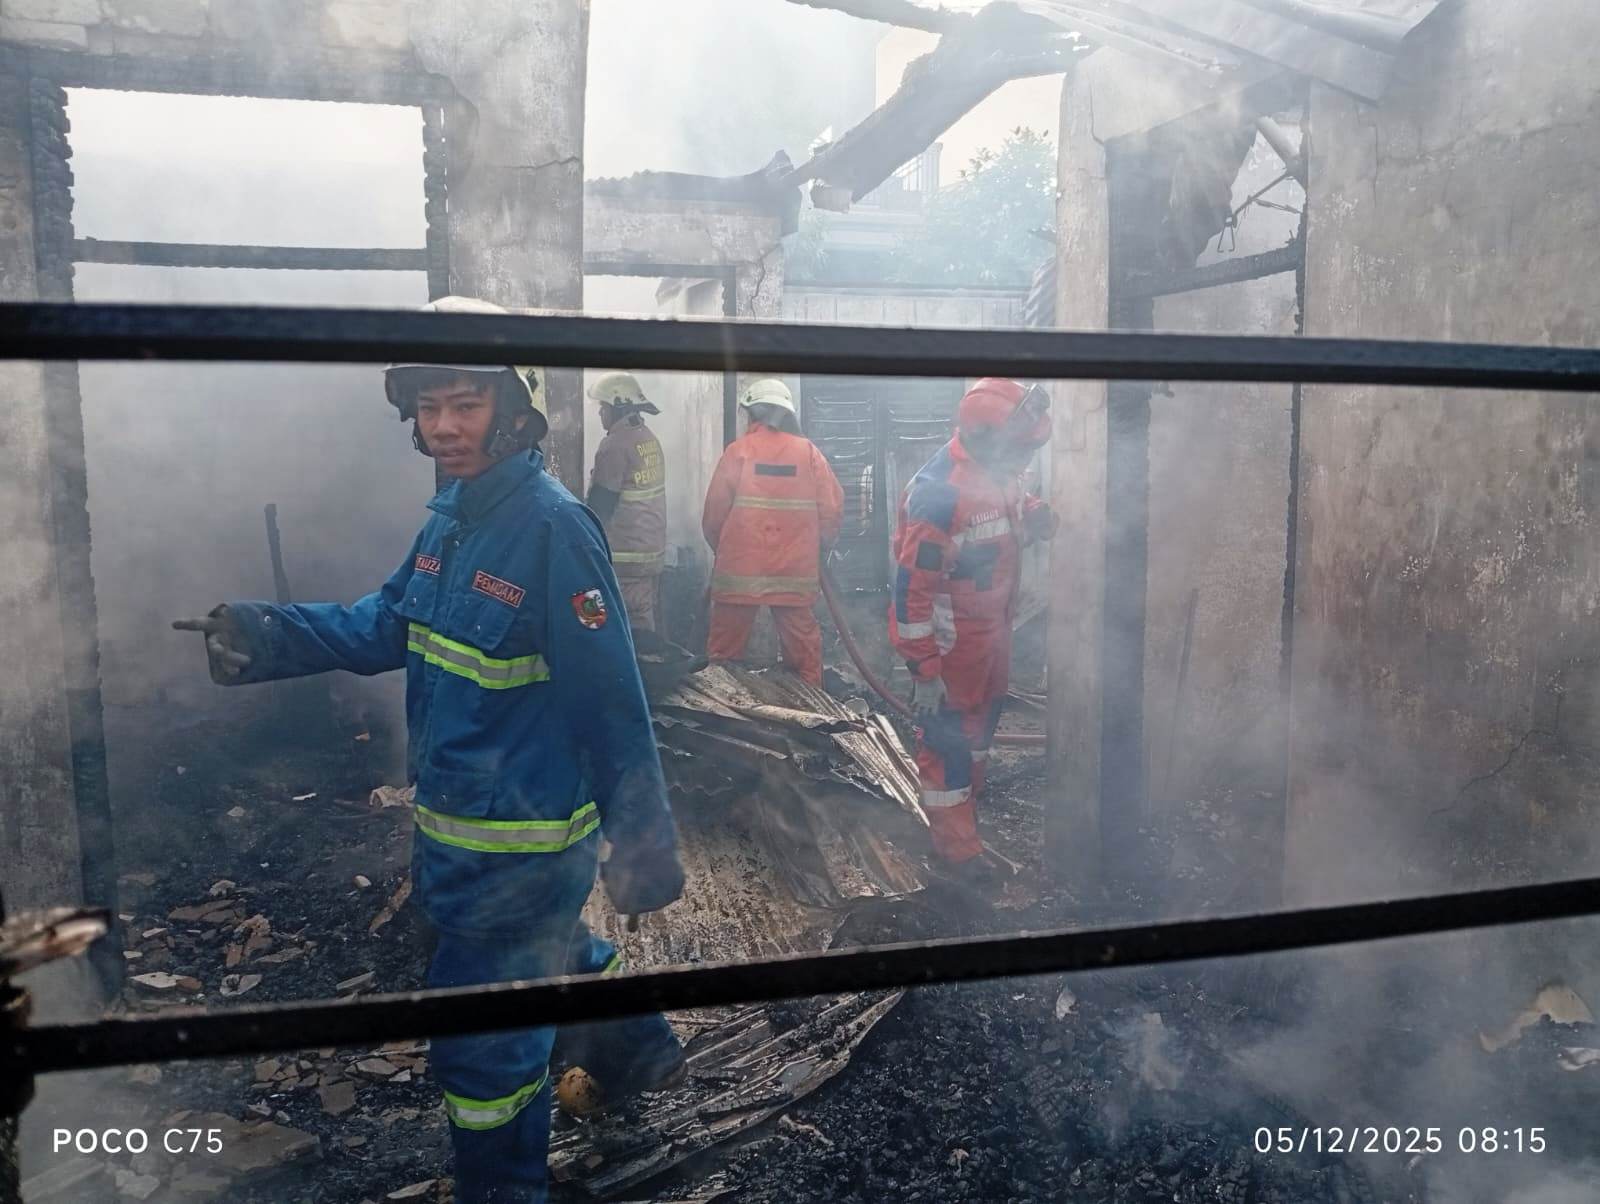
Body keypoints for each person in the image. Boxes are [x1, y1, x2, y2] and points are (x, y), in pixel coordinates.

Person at [173, 297, 687, 1204]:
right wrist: (268, 632)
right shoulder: (452, 520)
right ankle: (643, 1056)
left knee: (484, 1052)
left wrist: (644, 847)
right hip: (458, 838)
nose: (445, 427)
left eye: (466, 404)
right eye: (429, 407)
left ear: (514, 410)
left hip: (522, 851)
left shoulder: (555, 530)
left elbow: (611, 703)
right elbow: (385, 622)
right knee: (558, 954)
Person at [887, 378, 1056, 882]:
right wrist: (924, 669)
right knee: (949, 745)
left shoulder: (996, 468)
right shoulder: (940, 495)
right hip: (951, 646)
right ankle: (955, 854)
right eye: (1022, 449)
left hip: (991, 635)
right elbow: (912, 592)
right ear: (990, 440)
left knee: (978, 737)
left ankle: (966, 825)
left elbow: (1009, 500)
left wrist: (1034, 514)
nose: (1025, 460)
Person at [701, 378, 843, 686]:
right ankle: (810, 708)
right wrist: (818, 549)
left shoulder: (738, 452)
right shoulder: (809, 454)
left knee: (724, 658)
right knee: (803, 655)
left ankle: (721, 706)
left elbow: (713, 517)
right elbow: (831, 509)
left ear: (753, 413)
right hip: (794, 571)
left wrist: (725, 551)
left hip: (739, 571)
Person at [585, 372, 667, 633]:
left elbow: (600, 506)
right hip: (649, 554)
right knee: (642, 617)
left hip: (624, 558)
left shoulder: (614, 446)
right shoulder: (647, 437)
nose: (600, 413)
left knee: (609, 621)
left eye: (603, 407)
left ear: (617, 407)